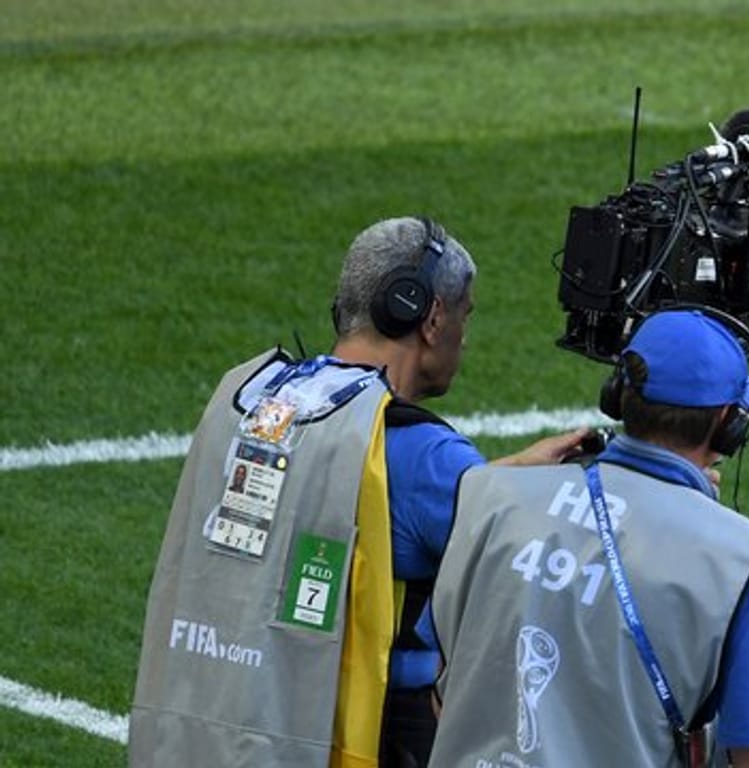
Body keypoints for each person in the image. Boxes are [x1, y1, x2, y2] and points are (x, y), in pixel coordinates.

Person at [129, 216, 588, 768]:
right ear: (430, 315)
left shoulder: (257, 398)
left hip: (218, 715)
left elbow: (394, 501)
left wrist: (508, 470)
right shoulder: (427, 456)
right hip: (357, 735)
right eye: (465, 315)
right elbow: (543, 562)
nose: (464, 335)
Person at [426, 309, 749, 767]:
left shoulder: (490, 497)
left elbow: (444, 686)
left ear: (619, 394)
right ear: (728, 422)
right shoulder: (739, 563)